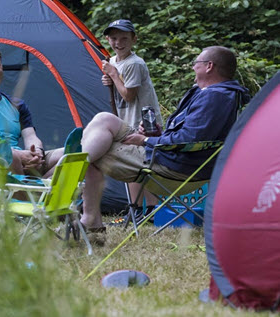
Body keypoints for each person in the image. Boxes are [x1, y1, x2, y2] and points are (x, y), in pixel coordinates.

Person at [80, 46, 250, 231]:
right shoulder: (211, 93)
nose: (193, 67)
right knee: (105, 119)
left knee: (95, 155)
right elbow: (191, 136)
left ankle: (88, 218)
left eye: (196, 63)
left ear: (209, 66)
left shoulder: (216, 97)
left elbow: (188, 141)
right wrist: (158, 135)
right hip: (171, 157)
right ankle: (66, 170)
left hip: (174, 167)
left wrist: (145, 141)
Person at [101, 19, 163, 216]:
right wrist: (109, 78)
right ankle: (136, 208)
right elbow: (117, 88)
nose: (119, 43)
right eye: (114, 38)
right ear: (107, 39)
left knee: (141, 165)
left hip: (143, 123)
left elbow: (129, 94)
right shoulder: (112, 61)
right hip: (126, 119)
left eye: (124, 38)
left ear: (134, 39)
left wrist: (113, 75)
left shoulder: (135, 64)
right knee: (131, 164)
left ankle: (149, 209)